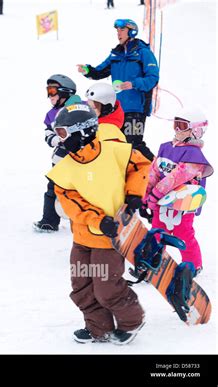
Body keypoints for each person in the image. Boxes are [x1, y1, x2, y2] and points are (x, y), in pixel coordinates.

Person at [46, 103, 151, 344]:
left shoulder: (113, 151)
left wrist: (134, 194)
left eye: (62, 133)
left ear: (82, 132)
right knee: (81, 285)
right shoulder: (64, 166)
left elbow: (140, 165)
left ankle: (131, 321)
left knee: (106, 287)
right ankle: (99, 328)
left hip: (110, 237)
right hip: (84, 237)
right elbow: (71, 201)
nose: (59, 139)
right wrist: (97, 220)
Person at [143, 107, 213, 274]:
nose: (176, 129)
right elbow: (154, 170)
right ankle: (152, 260)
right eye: (175, 124)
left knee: (183, 233)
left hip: (183, 203)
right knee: (157, 231)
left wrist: (155, 194)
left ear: (196, 130)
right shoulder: (166, 147)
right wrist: (147, 192)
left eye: (182, 125)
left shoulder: (194, 155)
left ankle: (192, 265)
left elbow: (177, 176)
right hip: (161, 202)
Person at [77, 19, 159, 161]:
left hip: (136, 109)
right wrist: (88, 70)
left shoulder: (143, 53)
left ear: (131, 31)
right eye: (117, 31)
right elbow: (100, 71)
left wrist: (134, 84)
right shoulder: (116, 54)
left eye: (121, 30)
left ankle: (156, 170)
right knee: (116, 144)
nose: (118, 34)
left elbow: (153, 78)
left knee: (135, 145)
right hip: (117, 110)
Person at [33, 74, 80, 233]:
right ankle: (49, 221)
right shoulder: (51, 115)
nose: (49, 96)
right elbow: (48, 133)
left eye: (53, 91)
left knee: (81, 190)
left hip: (82, 159)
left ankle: (83, 221)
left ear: (65, 92)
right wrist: (56, 140)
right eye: (48, 91)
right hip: (60, 159)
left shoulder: (81, 107)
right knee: (53, 189)